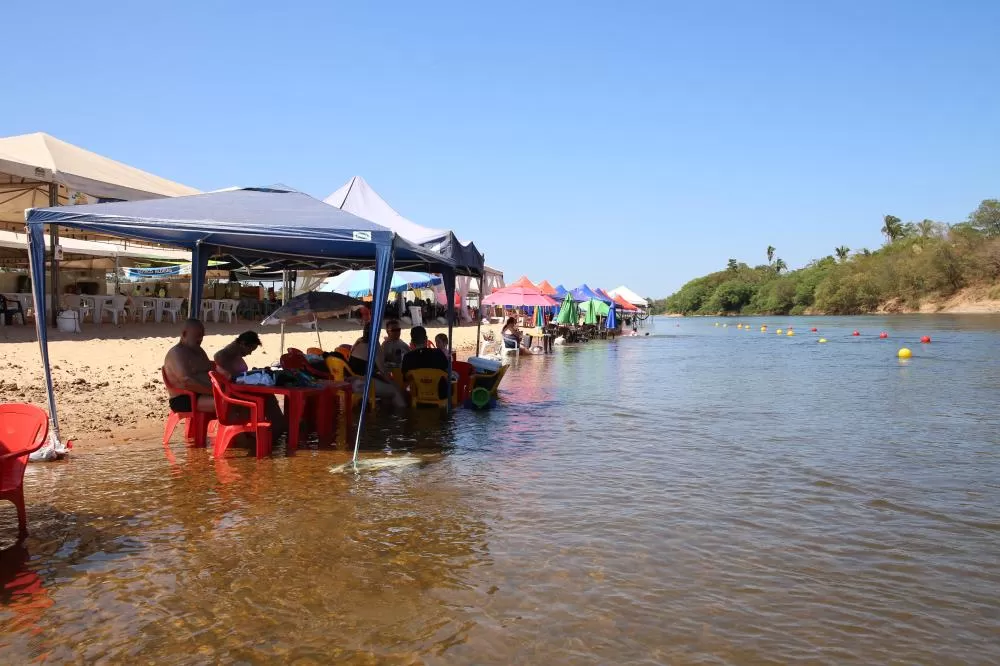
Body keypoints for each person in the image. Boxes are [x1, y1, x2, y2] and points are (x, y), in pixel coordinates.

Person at [214, 331, 287, 437]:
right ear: (243, 344)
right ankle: (276, 430)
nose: (250, 353)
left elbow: (238, 376)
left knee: (268, 396)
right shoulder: (223, 355)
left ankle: (277, 429)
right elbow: (231, 377)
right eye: (250, 349)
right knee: (267, 398)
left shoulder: (233, 353)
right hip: (234, 393)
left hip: (239, 389)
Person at [163, 319, 215, 414]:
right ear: (184, 334)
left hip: (203, 393)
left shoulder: (199, 350)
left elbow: (210, 370)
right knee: (226, 404)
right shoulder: (177, 353)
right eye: (197, 336)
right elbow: (187, 382)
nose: (200, 339)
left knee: (237, 399)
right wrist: (214, 392)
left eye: (202, 336)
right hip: (184, 398)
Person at [349, 323, 407, 408]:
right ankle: (403, 416)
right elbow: (382, 371)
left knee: (387, 392)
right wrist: (394, 384)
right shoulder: (374, 344)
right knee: (395, 391)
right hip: (363, 383)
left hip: (352, 381)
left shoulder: (359, 341)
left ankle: (384, 414)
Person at [402, 326, 449, 399]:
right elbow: (447, 372)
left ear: (412, 342)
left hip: (417, 395)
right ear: (426, 339)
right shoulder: (438, 353)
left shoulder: (407, 357)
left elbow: (405, 380)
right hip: (440, 394)